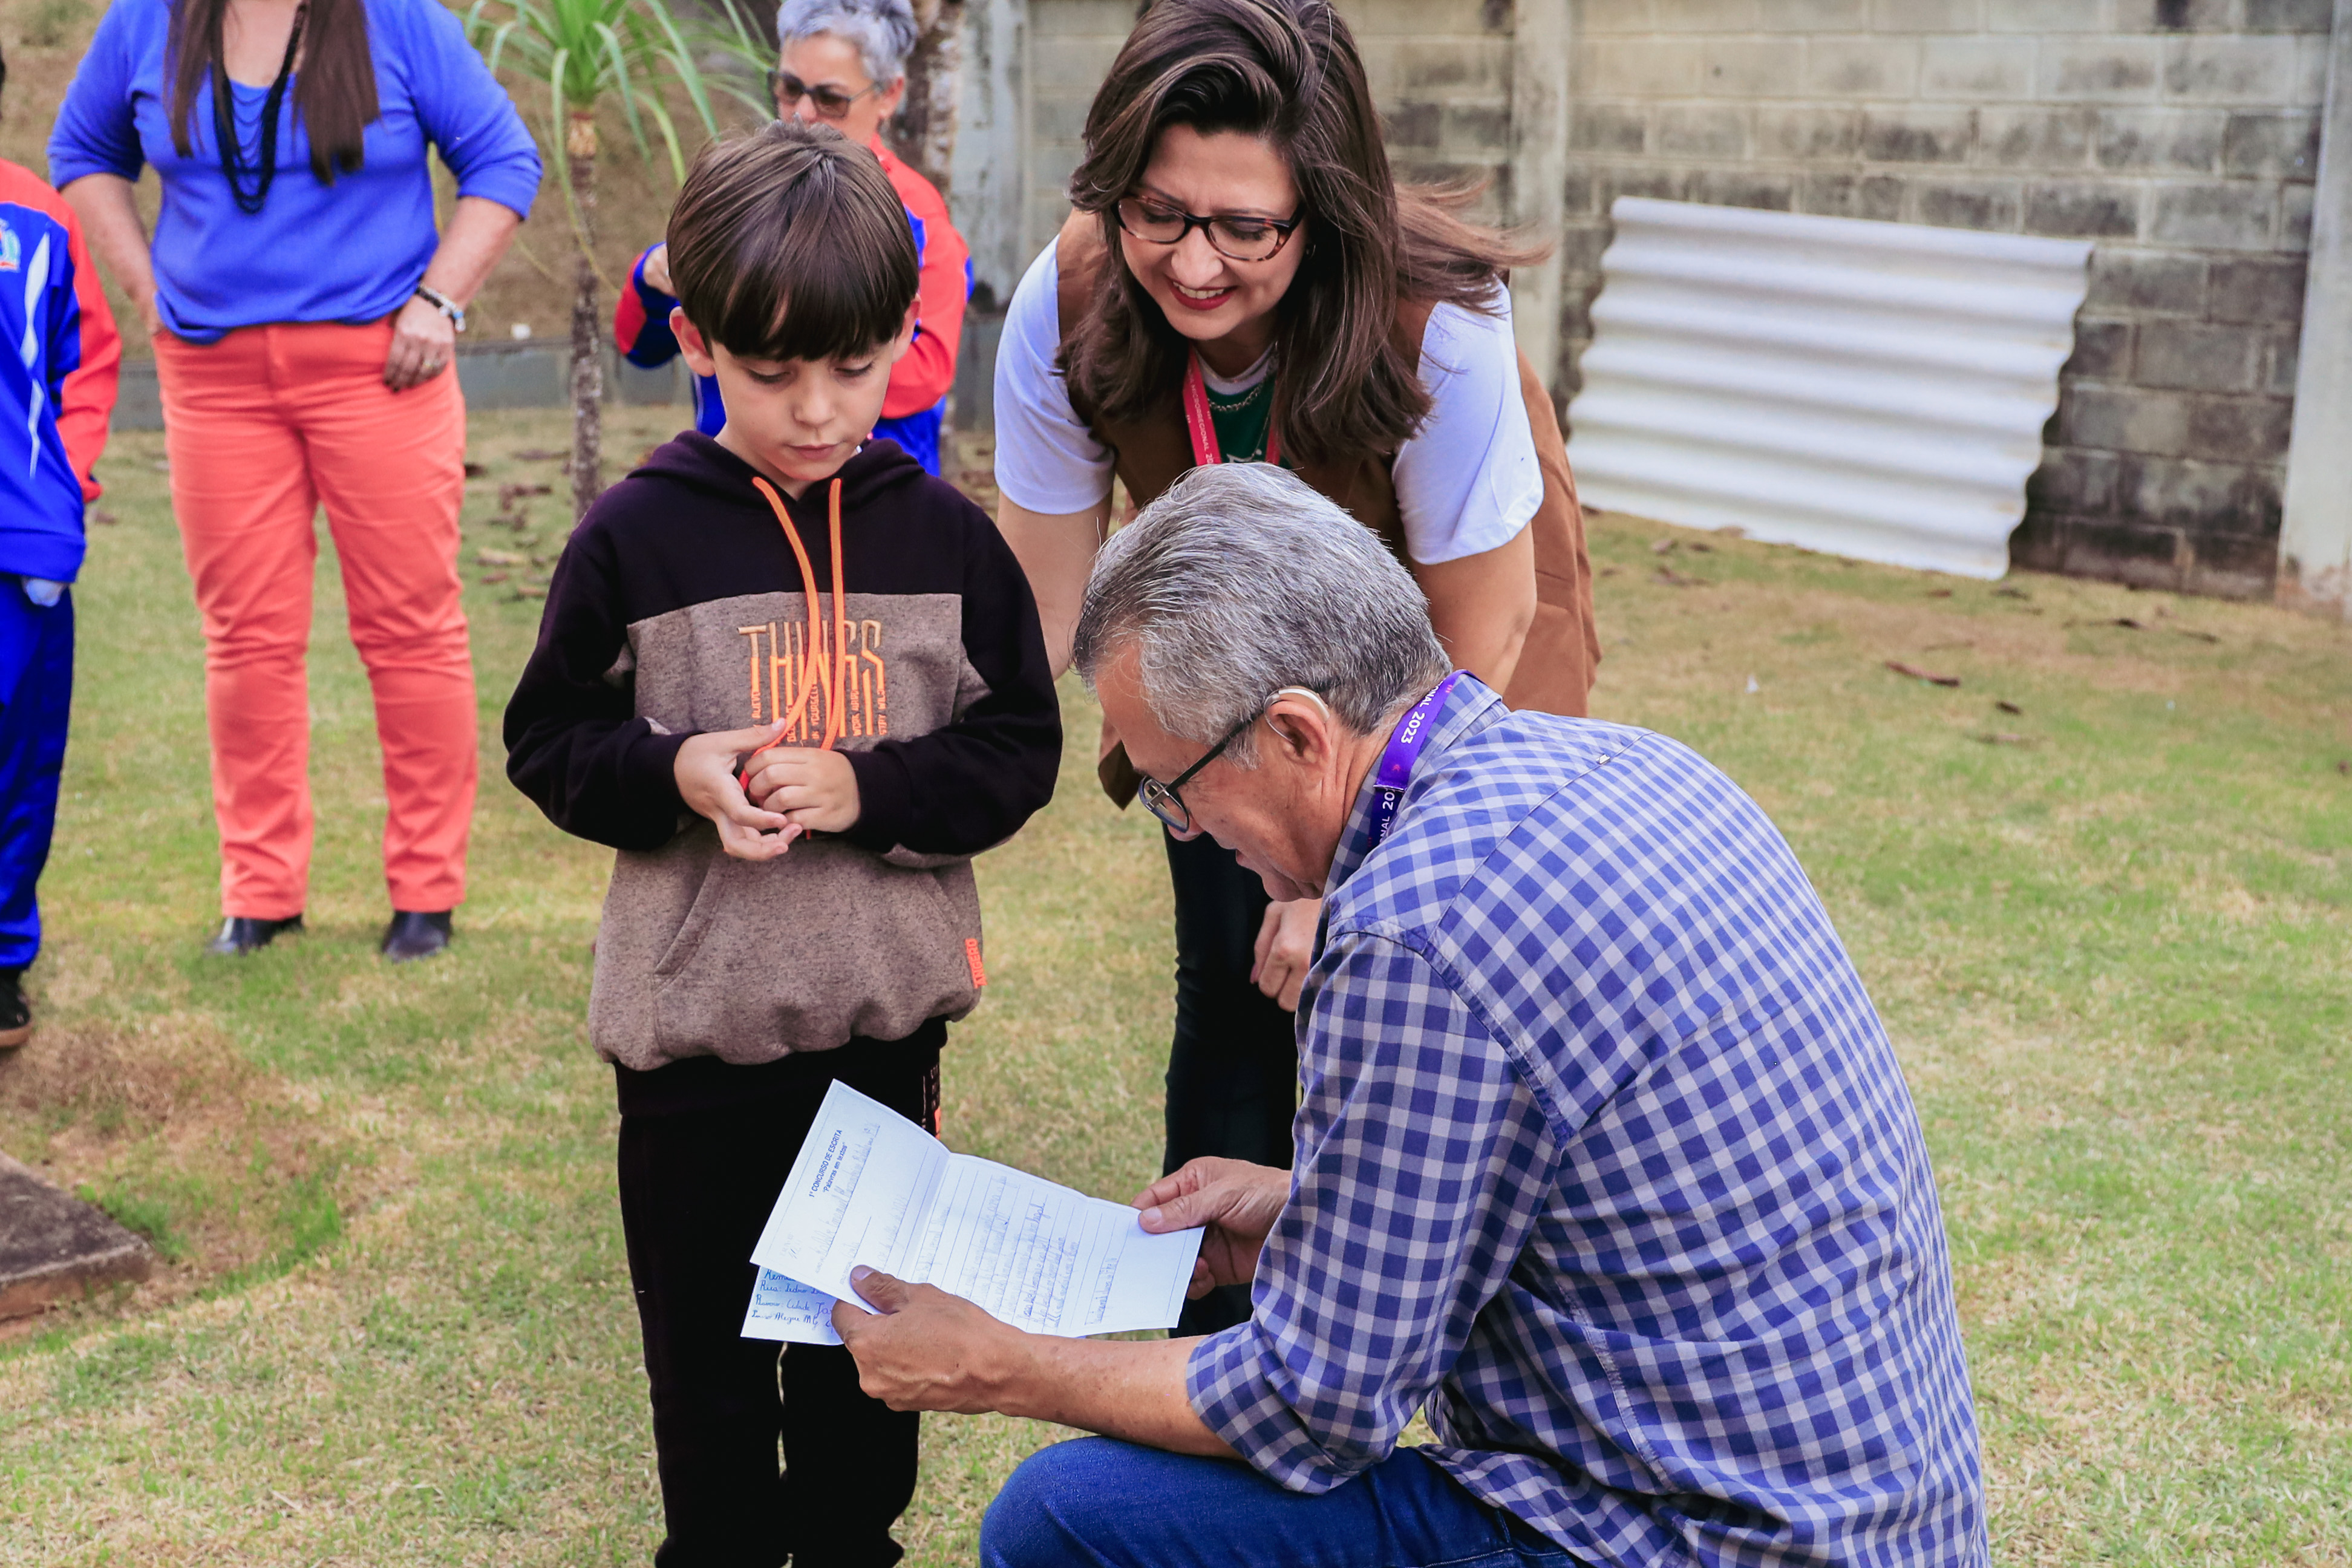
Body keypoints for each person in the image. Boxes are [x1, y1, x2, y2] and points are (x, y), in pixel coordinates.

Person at [826, 464, 1988, 1568]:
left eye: (1172, 788)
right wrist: (1307, 1214)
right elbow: (1622, 1210)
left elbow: (1311, 1403)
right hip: (1872, 1517)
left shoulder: (1411, 931)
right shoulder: (1637, 767)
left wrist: (1004, 1364)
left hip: (1683, 1533)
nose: (1186, 831)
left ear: (1293, 733)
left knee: (1068, 1520)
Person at [991, 0, 1601, 1330]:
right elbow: (1038, 618)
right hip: (1227, 659)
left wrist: (1366, 878)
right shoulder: (1072, 296)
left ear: (1321, 210)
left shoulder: (1440, 326)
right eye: (1158, 212)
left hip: (1454, 657)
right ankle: (1211, 1331)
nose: (1193, 263)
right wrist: (935, 797)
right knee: (1230, 963)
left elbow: (1479, 640)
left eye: (1244, 228)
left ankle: (1410, 1318)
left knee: (1410, 980)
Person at [504, 121, 1059, 1568]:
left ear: (906, 343)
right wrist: (672, 767)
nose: (818, 408)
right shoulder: (631, 537)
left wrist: (871, 790)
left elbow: (1020, 755)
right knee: (706, 1389)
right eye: (771, 371)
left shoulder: (948, 542)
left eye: (855, 366)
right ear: (695, 338)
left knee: (863, 1373)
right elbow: (547, 740)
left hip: (880, 1053)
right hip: (689, 1055)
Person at [50, 0, 539, 961]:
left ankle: (426, 891)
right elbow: (83, 153)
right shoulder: (146, 20)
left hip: (383, 370)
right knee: (244, 640)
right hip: (213, 376)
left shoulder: (397, 19)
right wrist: (148, 287)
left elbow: (503, 162)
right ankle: (260, 892)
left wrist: (441, 301)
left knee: (411, 629)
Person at [613, 0, 972, 476]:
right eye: (789, 89)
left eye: (830, 99)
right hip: (735, 489)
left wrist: (782, 353)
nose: (803, 114)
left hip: (868, 496)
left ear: (889, 95)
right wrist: (652, 278)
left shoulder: (917, 213)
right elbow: (639, 346)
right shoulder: (743, 193)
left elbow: (928, 370)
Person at [0, 41, 122, 1051]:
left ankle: (1, 960)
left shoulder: (37, 213)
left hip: (21, 549)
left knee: (17, 764)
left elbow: (87, 363)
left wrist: (63, 485)